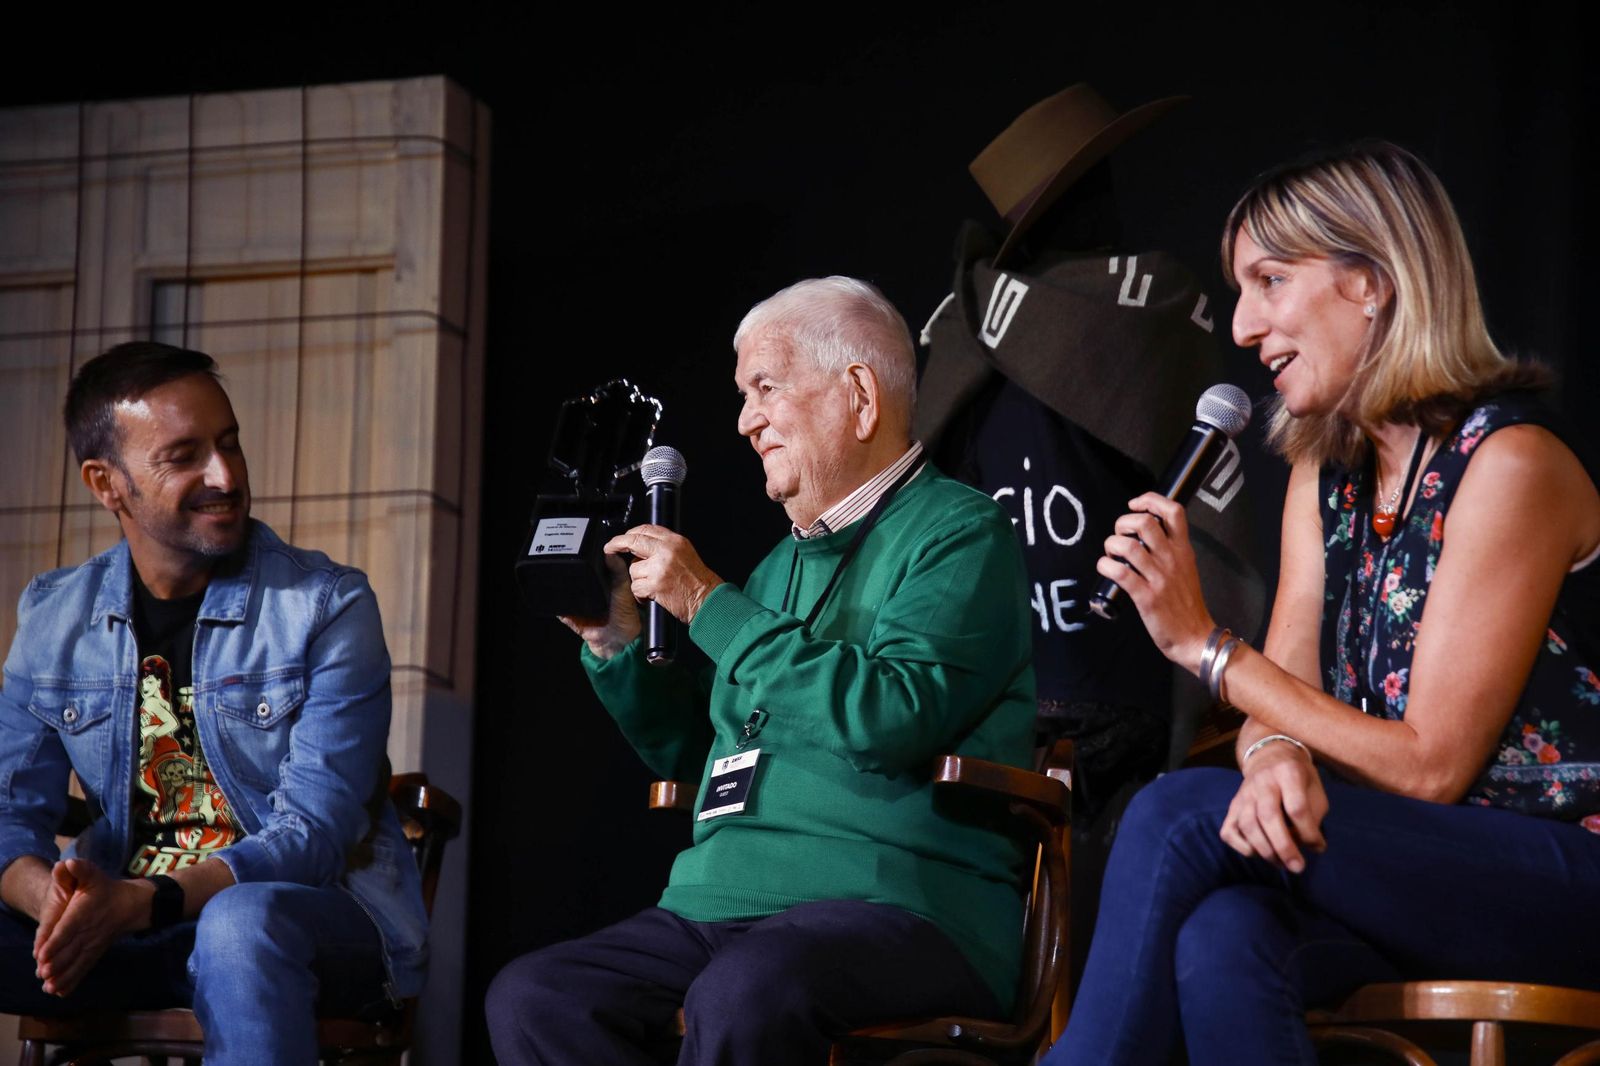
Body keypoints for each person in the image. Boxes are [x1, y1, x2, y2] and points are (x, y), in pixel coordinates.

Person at [1044, 141, 1600, 1065]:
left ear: (1372, 282)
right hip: (1416, 867)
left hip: (1560, 870)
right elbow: (1285, 689)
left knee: (1177, 813)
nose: (1242, 326)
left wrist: (1207, 647)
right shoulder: (1323, 471)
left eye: (1270, 280)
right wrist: (1274, 764)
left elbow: (1430, 771)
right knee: (1222, 939)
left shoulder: (1509, 466)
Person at [486, 276, 1036, 1065]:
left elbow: (891, 716)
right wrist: (613, 640)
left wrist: (708, 602)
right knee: (537, 996)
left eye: (765, 388)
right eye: (742, 395)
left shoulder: (960, 533)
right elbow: (697, 752)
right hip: (721, 905)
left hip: (900, 904)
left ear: (859, 394)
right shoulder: (777, 568)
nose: (745, 421)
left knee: (746, 989)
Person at [0, 342, 428, 1064]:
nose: (225, 476)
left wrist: (146, 901)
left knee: (238, 926)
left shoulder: (326, 605)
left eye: (229, 443)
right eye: (184, 455)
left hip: (303, 919)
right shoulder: (53, 616)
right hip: (135, 922)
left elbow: (317, 834)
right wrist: (56, 904)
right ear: (107, 484)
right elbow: (9, 811)